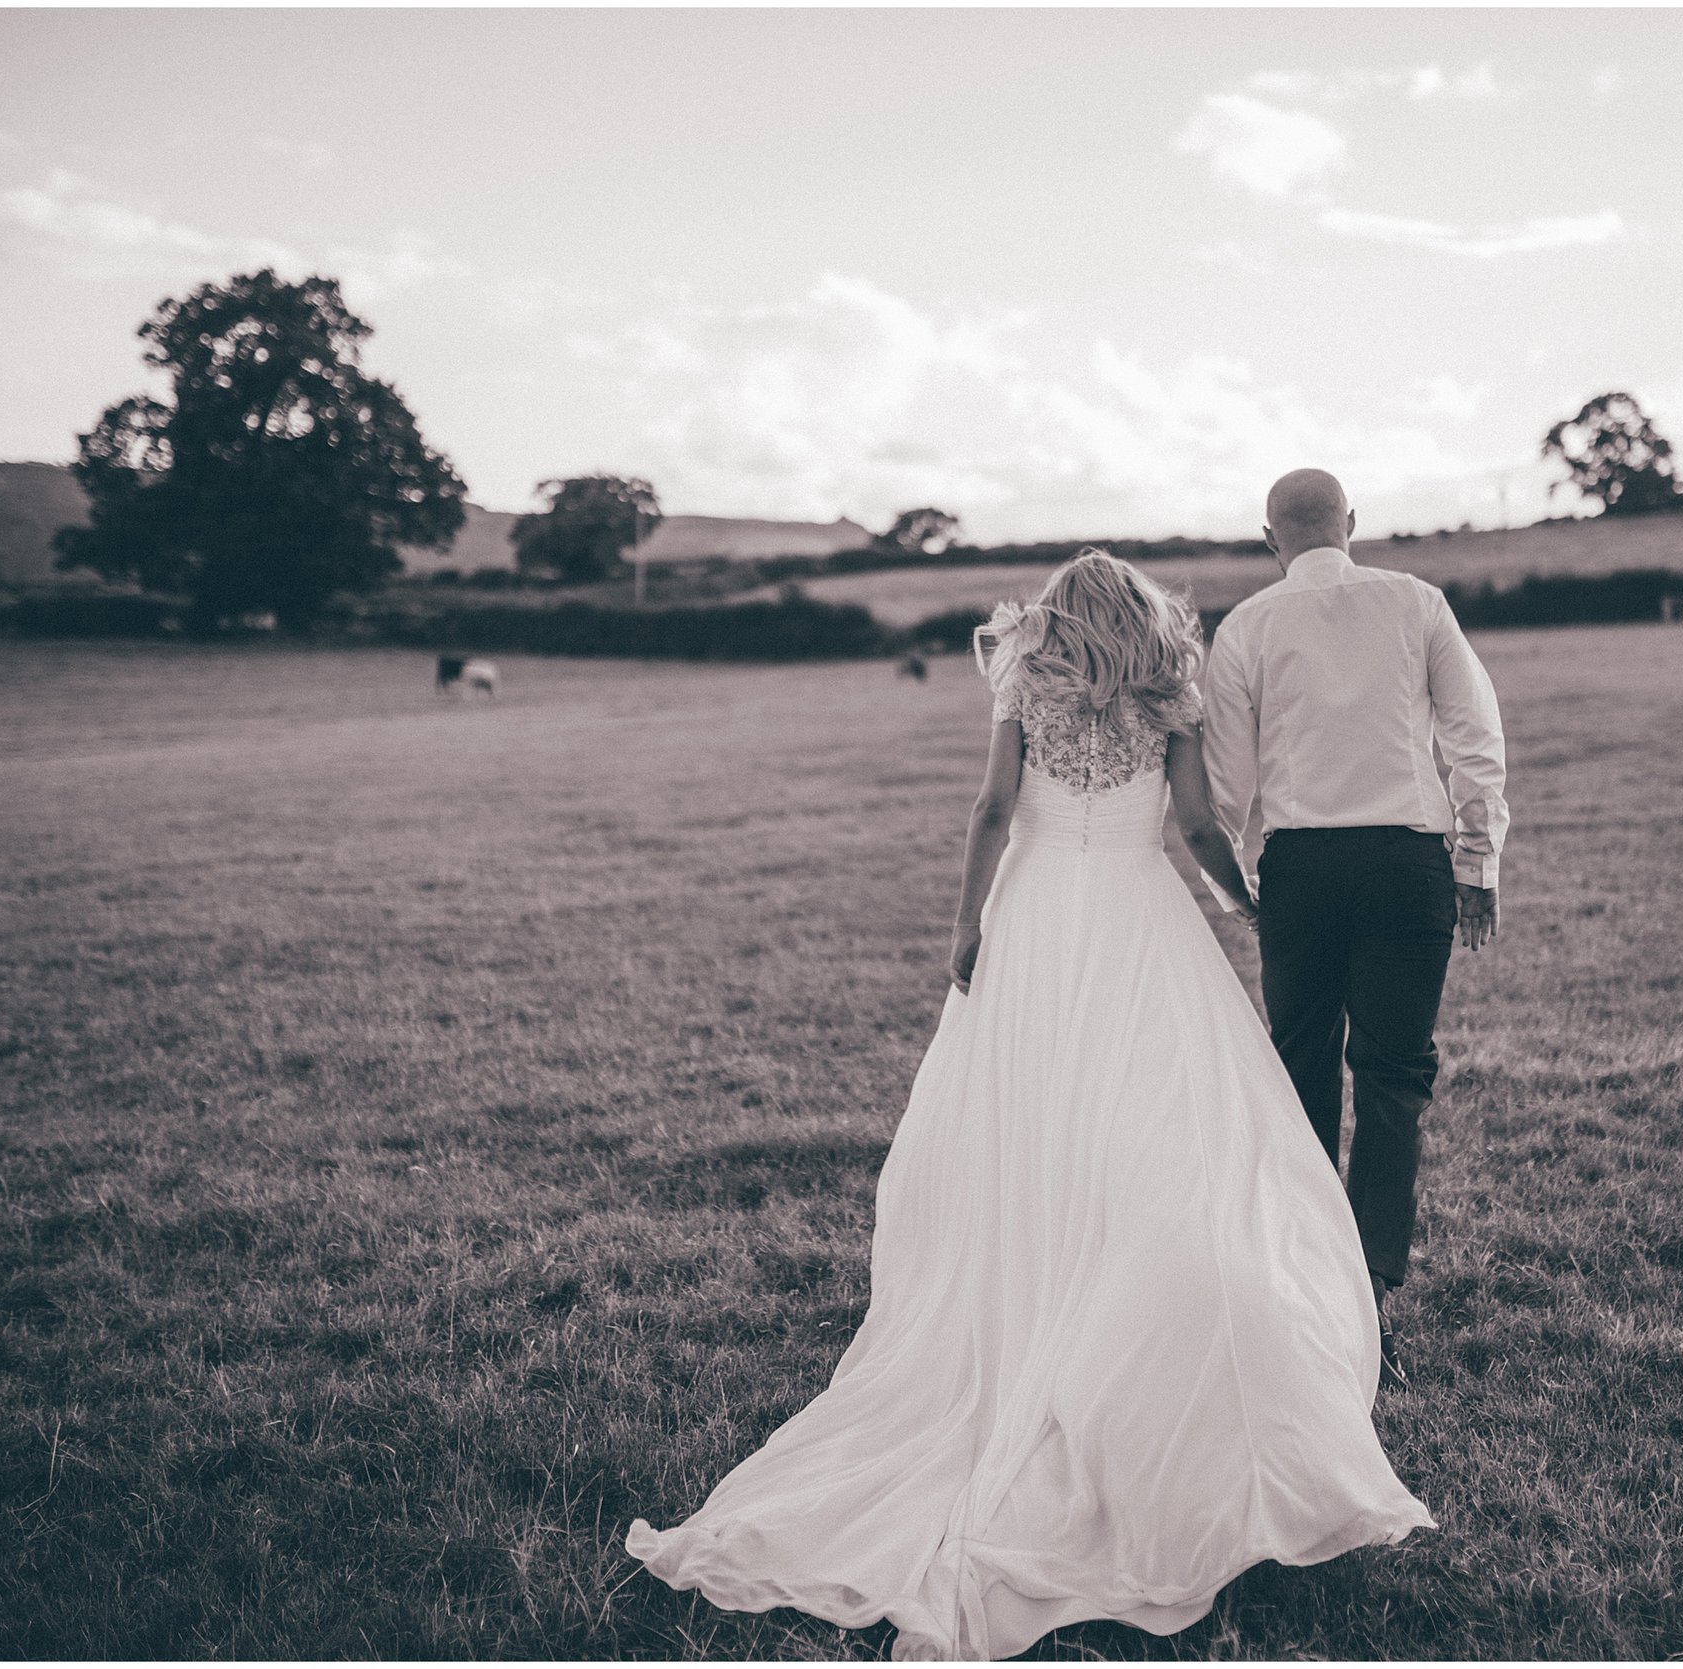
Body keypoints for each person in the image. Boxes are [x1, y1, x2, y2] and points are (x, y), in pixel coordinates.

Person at [628, 548, 1432, 1661]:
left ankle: (1047, 1283)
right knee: (1166, 1121)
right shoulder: (1171, 687)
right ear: (1145, 621)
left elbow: (993, 806)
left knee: (1032, 1112)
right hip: (1141, 922)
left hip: (1040, 919)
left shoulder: (1024, 682)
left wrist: (966, 925)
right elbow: (1198, 825)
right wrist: (1243, 904)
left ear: (1053, 621)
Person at [1201, 469, 1510, 1388]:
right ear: (1353, 526)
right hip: (1407, 864)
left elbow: (1220, 789)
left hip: (1301, 869)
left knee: (1297, 1067)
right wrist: (1477, 862)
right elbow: (1472, 737)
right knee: (1393, 1076)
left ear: (1270, 540)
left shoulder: (1248, 626)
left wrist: (1242, 891)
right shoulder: (1418, 603)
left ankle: (1301, 1280)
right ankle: (1369, 1286)